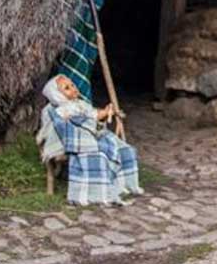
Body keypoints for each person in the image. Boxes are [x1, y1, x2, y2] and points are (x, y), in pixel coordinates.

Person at [39, 74, 143, 206]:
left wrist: (105, 112)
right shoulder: (61, 110)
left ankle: (124, 185)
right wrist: (89, 119)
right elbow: (68, 125)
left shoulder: (80, 104)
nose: (73, 88)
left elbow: (93, 114)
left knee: (125, 149)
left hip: (91, 135)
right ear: (56, 95)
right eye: (67, 88)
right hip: (76, 140)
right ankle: (96, 193)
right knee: (98, 155)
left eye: (72, 85)